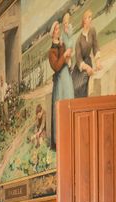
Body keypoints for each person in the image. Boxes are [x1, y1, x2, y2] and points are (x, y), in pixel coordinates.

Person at [49, 20, 74, 150]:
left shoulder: (62, 44)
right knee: (61, 110)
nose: (59, 31)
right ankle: (60, 141)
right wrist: (64, 55)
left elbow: (67, 59)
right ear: (53, 33)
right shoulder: (51, 51)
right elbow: (57, 66)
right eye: (57, 29)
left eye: (59, 28)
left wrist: (69, 58)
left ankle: (70, 136)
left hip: (67, 80)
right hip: (60, 84)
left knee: (70, 104)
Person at [73, 10, 101, 98]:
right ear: (84, 20)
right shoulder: (79, 40)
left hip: (88, 62)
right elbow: (78, 59)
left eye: (91, 17)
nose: (90, 19)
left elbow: (95, 46)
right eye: (88, 17)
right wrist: (87, 68)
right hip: (80, 69)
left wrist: (98, 62)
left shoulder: (92, 31)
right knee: (80, 86)